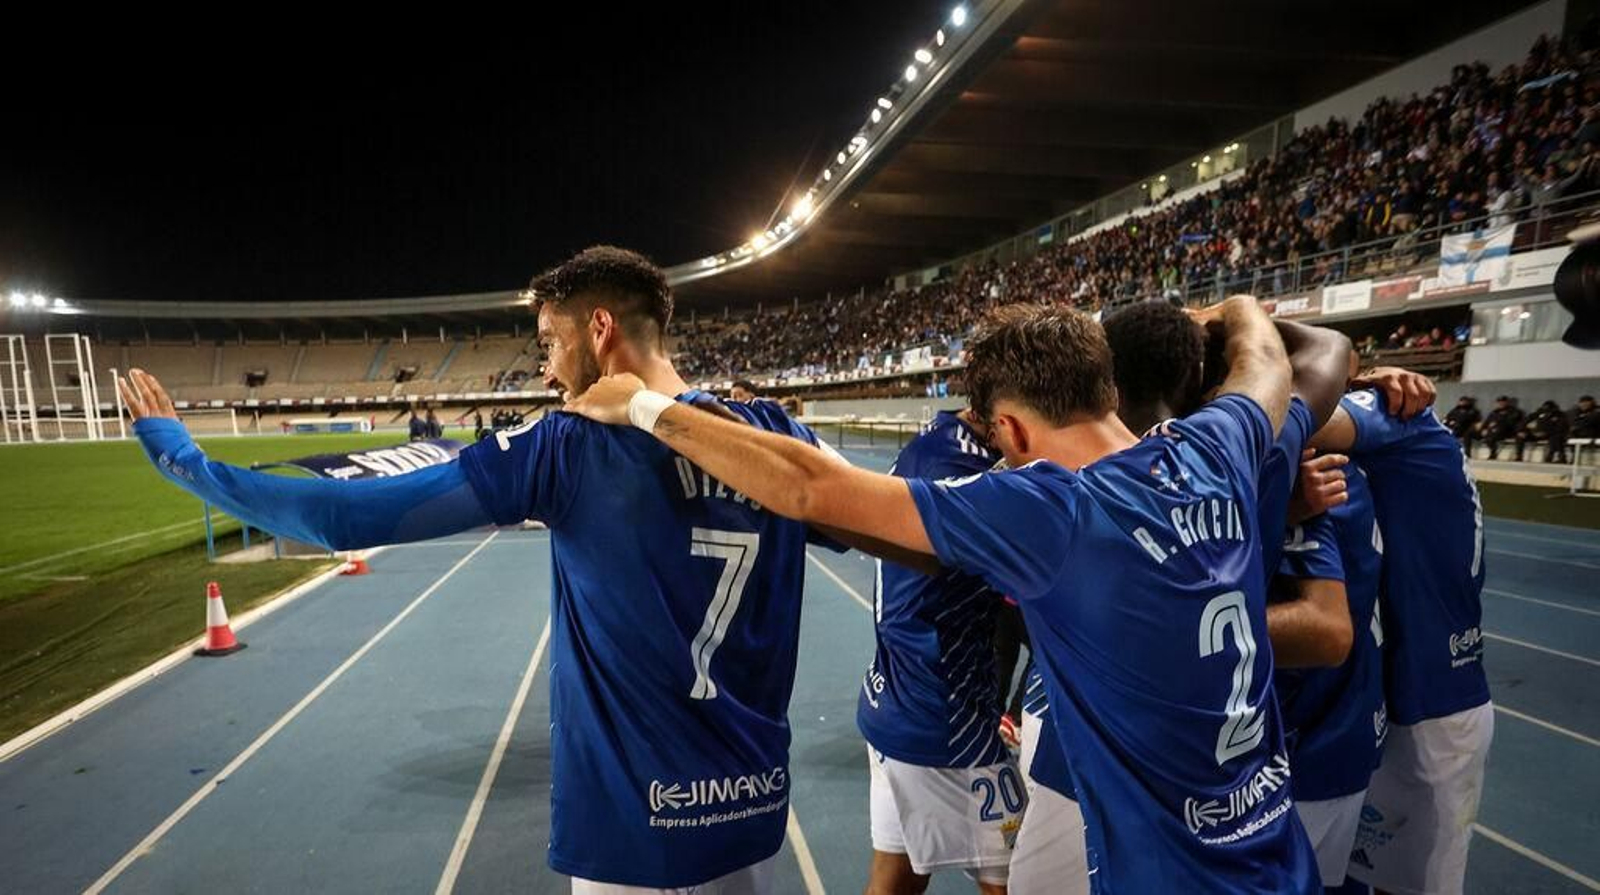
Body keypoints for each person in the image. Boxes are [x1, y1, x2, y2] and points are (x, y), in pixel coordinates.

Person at [117, 246, 845, 894]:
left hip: (634, 831)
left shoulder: (564, 446)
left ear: (599, 330)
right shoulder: (777, 437)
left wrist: (189, 463)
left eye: (549, 343)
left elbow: (346, 515)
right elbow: (897, 528)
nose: (547, 368)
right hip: (751, 814)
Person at [566, 297, 1322, 892]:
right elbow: (1263, 354)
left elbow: (811, 487)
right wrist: (1231, 310)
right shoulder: (1217, 447)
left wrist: (644, 407)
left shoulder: (1051, 512)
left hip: (1169, 876)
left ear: (1010, 432)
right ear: (1109, 388)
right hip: (1277, 852)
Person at [1002, 299, 1351, 895]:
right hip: (1221, 765)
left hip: (1079, 748)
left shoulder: (1060, 474)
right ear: (1196, 373)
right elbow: (1328, 352)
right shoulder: (1242, 449)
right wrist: (1231, 313)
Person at [1309, 374, 1493, 895]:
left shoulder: (1398, 420)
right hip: (1396, 698)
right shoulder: (1399, 426)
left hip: (1434, 703)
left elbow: (1291, 420)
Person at [858, 408, 1022, 894]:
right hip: (948, 721)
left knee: (895, 879)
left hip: (893, 699)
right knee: (1017, 879)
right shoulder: (972, 477)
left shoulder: (936, 440)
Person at [1272, 460, 1386, 888]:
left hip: (1304, 747)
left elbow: (1327, 632)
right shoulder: (1339, 468)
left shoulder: (1305, 471)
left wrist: (1177, 626)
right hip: (1346, 720)